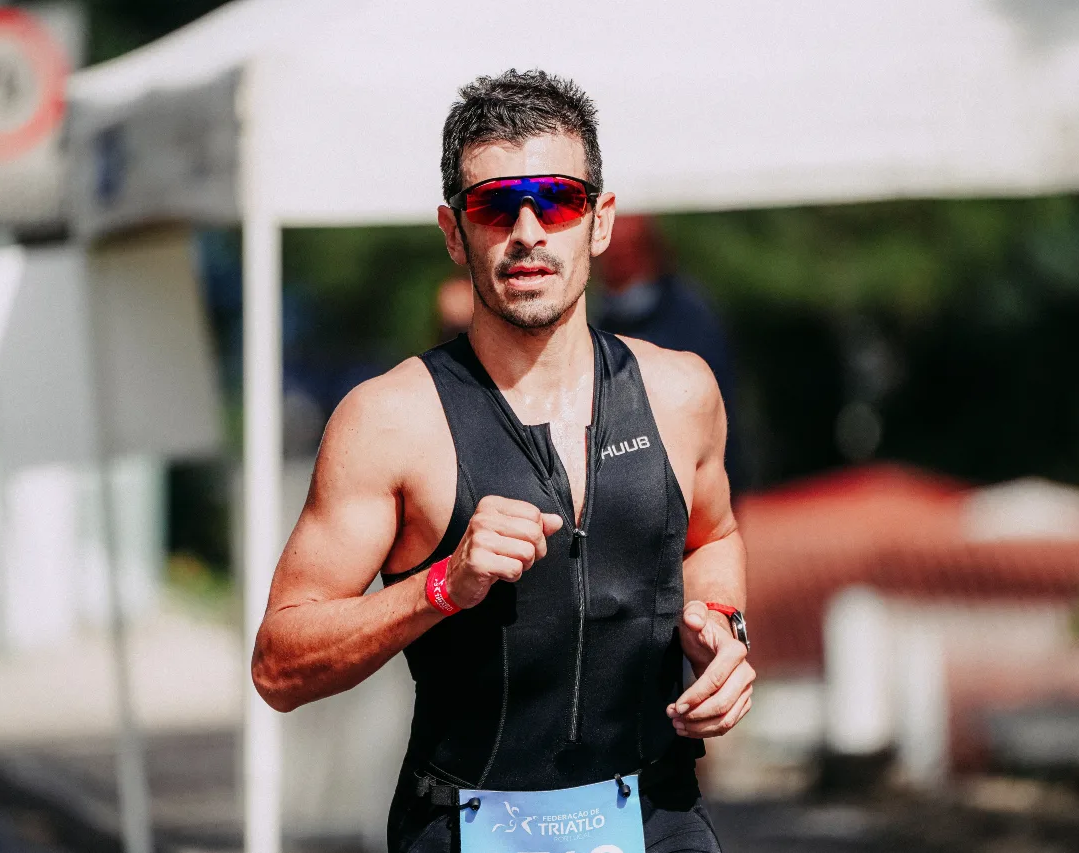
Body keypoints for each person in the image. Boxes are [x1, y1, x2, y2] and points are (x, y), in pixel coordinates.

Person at [252, 69, 753, 853]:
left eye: (556, 200)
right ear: (455, 232)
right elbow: (280, 663)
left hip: (659, 819)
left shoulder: (681, 391)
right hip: (468, 826)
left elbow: (715, 537)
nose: (528, 231)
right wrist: (442, 585)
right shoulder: (388, 420)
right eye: (495, 206)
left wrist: (723, 630)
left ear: (599, 221)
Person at [598, 215, 750, 492]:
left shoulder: (690, 316)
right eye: (611, 252)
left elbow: (713, 403)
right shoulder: (600, 319)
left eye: (627, 251)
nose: (617, 262)